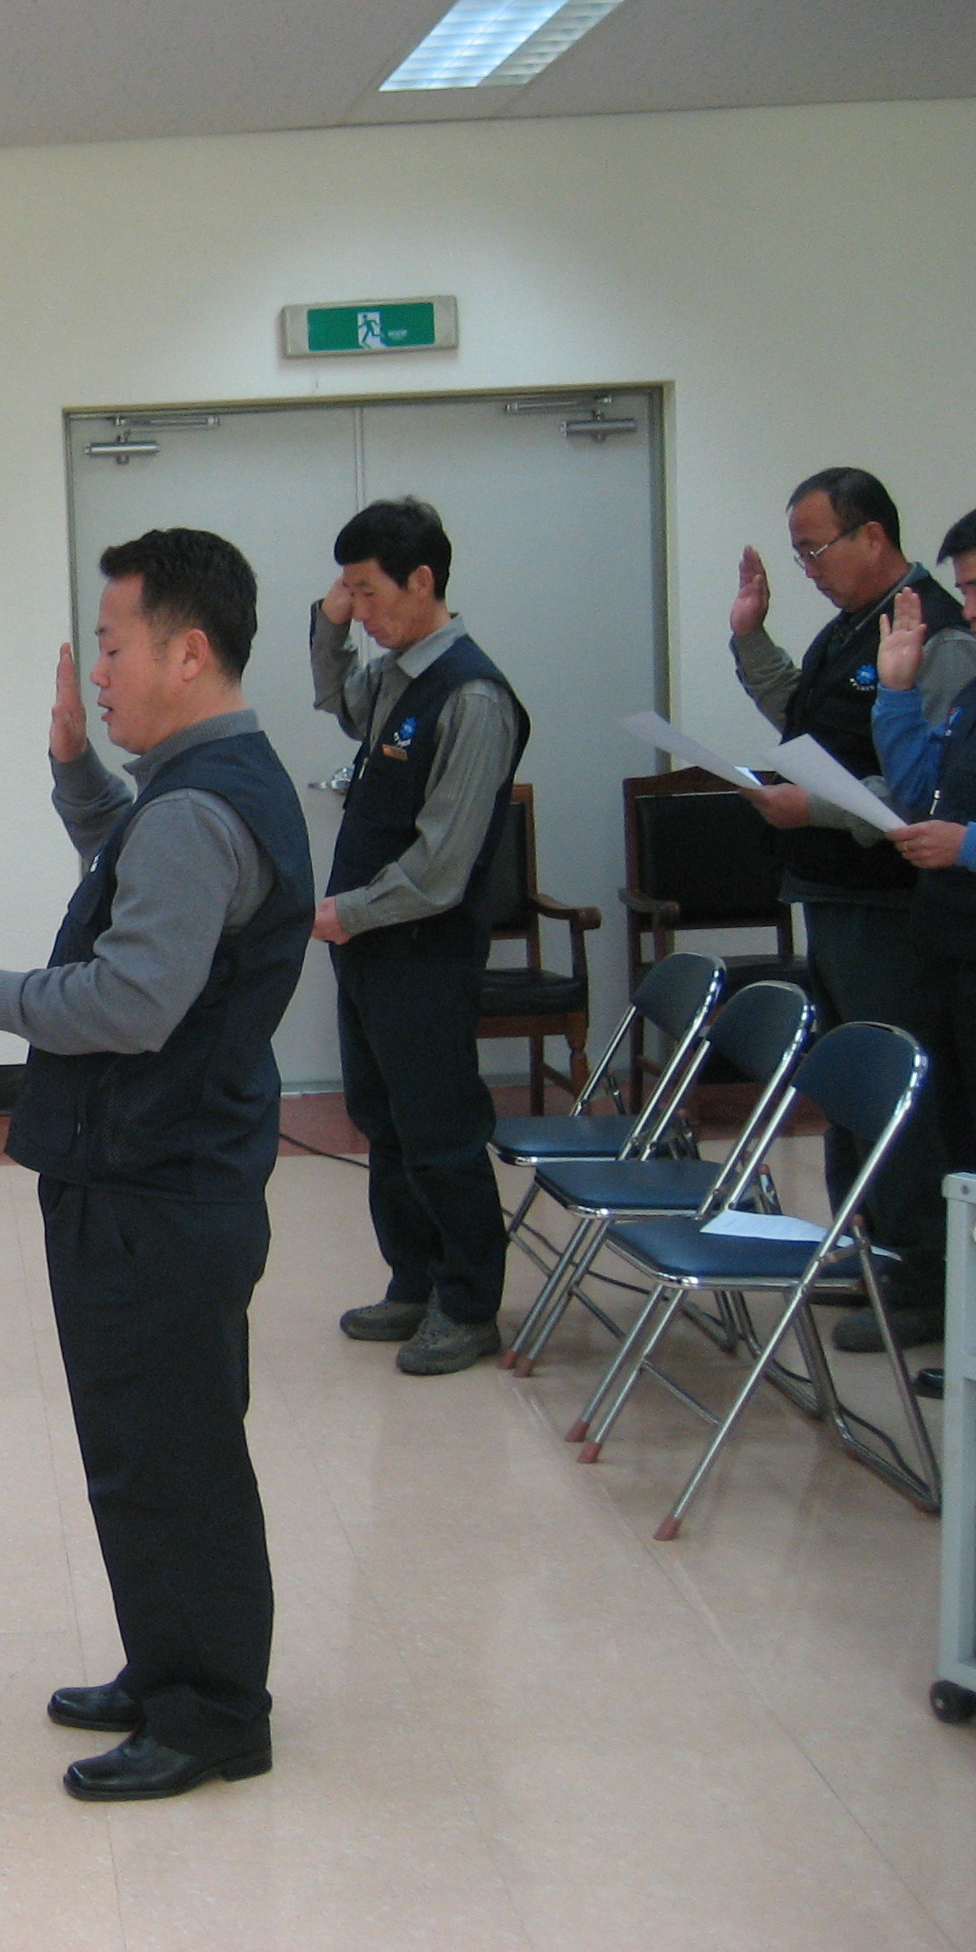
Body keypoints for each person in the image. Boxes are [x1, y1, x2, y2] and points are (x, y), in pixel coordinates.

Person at [0, 527, 312, 1803]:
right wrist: (75, 773)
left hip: (157, 1184)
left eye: (111, 645)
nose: (96, 670)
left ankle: (212, 1716)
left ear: (185, 653)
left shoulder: (196, 805)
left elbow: (135, 997)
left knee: (172, 1457)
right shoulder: (204, 782)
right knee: (145, 1447)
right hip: (167, 1170)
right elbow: (139, 881)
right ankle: (167, 1668)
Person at [729, 466, 976, 1350]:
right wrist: (750, 639)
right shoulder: (851, 628)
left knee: (895, 1085)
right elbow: (806, 721)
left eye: (816, 549)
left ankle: (925, 1273)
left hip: (891, 902)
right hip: (831, 890)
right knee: (844, 1084)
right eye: (798, 554)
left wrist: (819, 810)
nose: (808, 569)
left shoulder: (938, 637)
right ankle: (866, 1243)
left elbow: (926, 788)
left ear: (873, 536)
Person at [311, 498, 528, 1376]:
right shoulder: (399, 675)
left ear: (423, 581)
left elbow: (441, 866)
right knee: (384, 1121)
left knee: (439, 1128)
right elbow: (341, 703)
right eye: (350, 592)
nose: (359, 609)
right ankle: (414, 1280)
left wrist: (346, 913)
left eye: (368, 592)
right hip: (369, 946)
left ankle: (469, 1305)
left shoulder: (472, 695)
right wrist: (329, 625)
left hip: (423, 951)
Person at [874, 494, 976, 1347]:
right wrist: (898, 696)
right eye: (964, 591)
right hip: (954, 960)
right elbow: (921, 794)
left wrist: (972, 845)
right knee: (970, 1167)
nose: (968, 610)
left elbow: (968, 831)